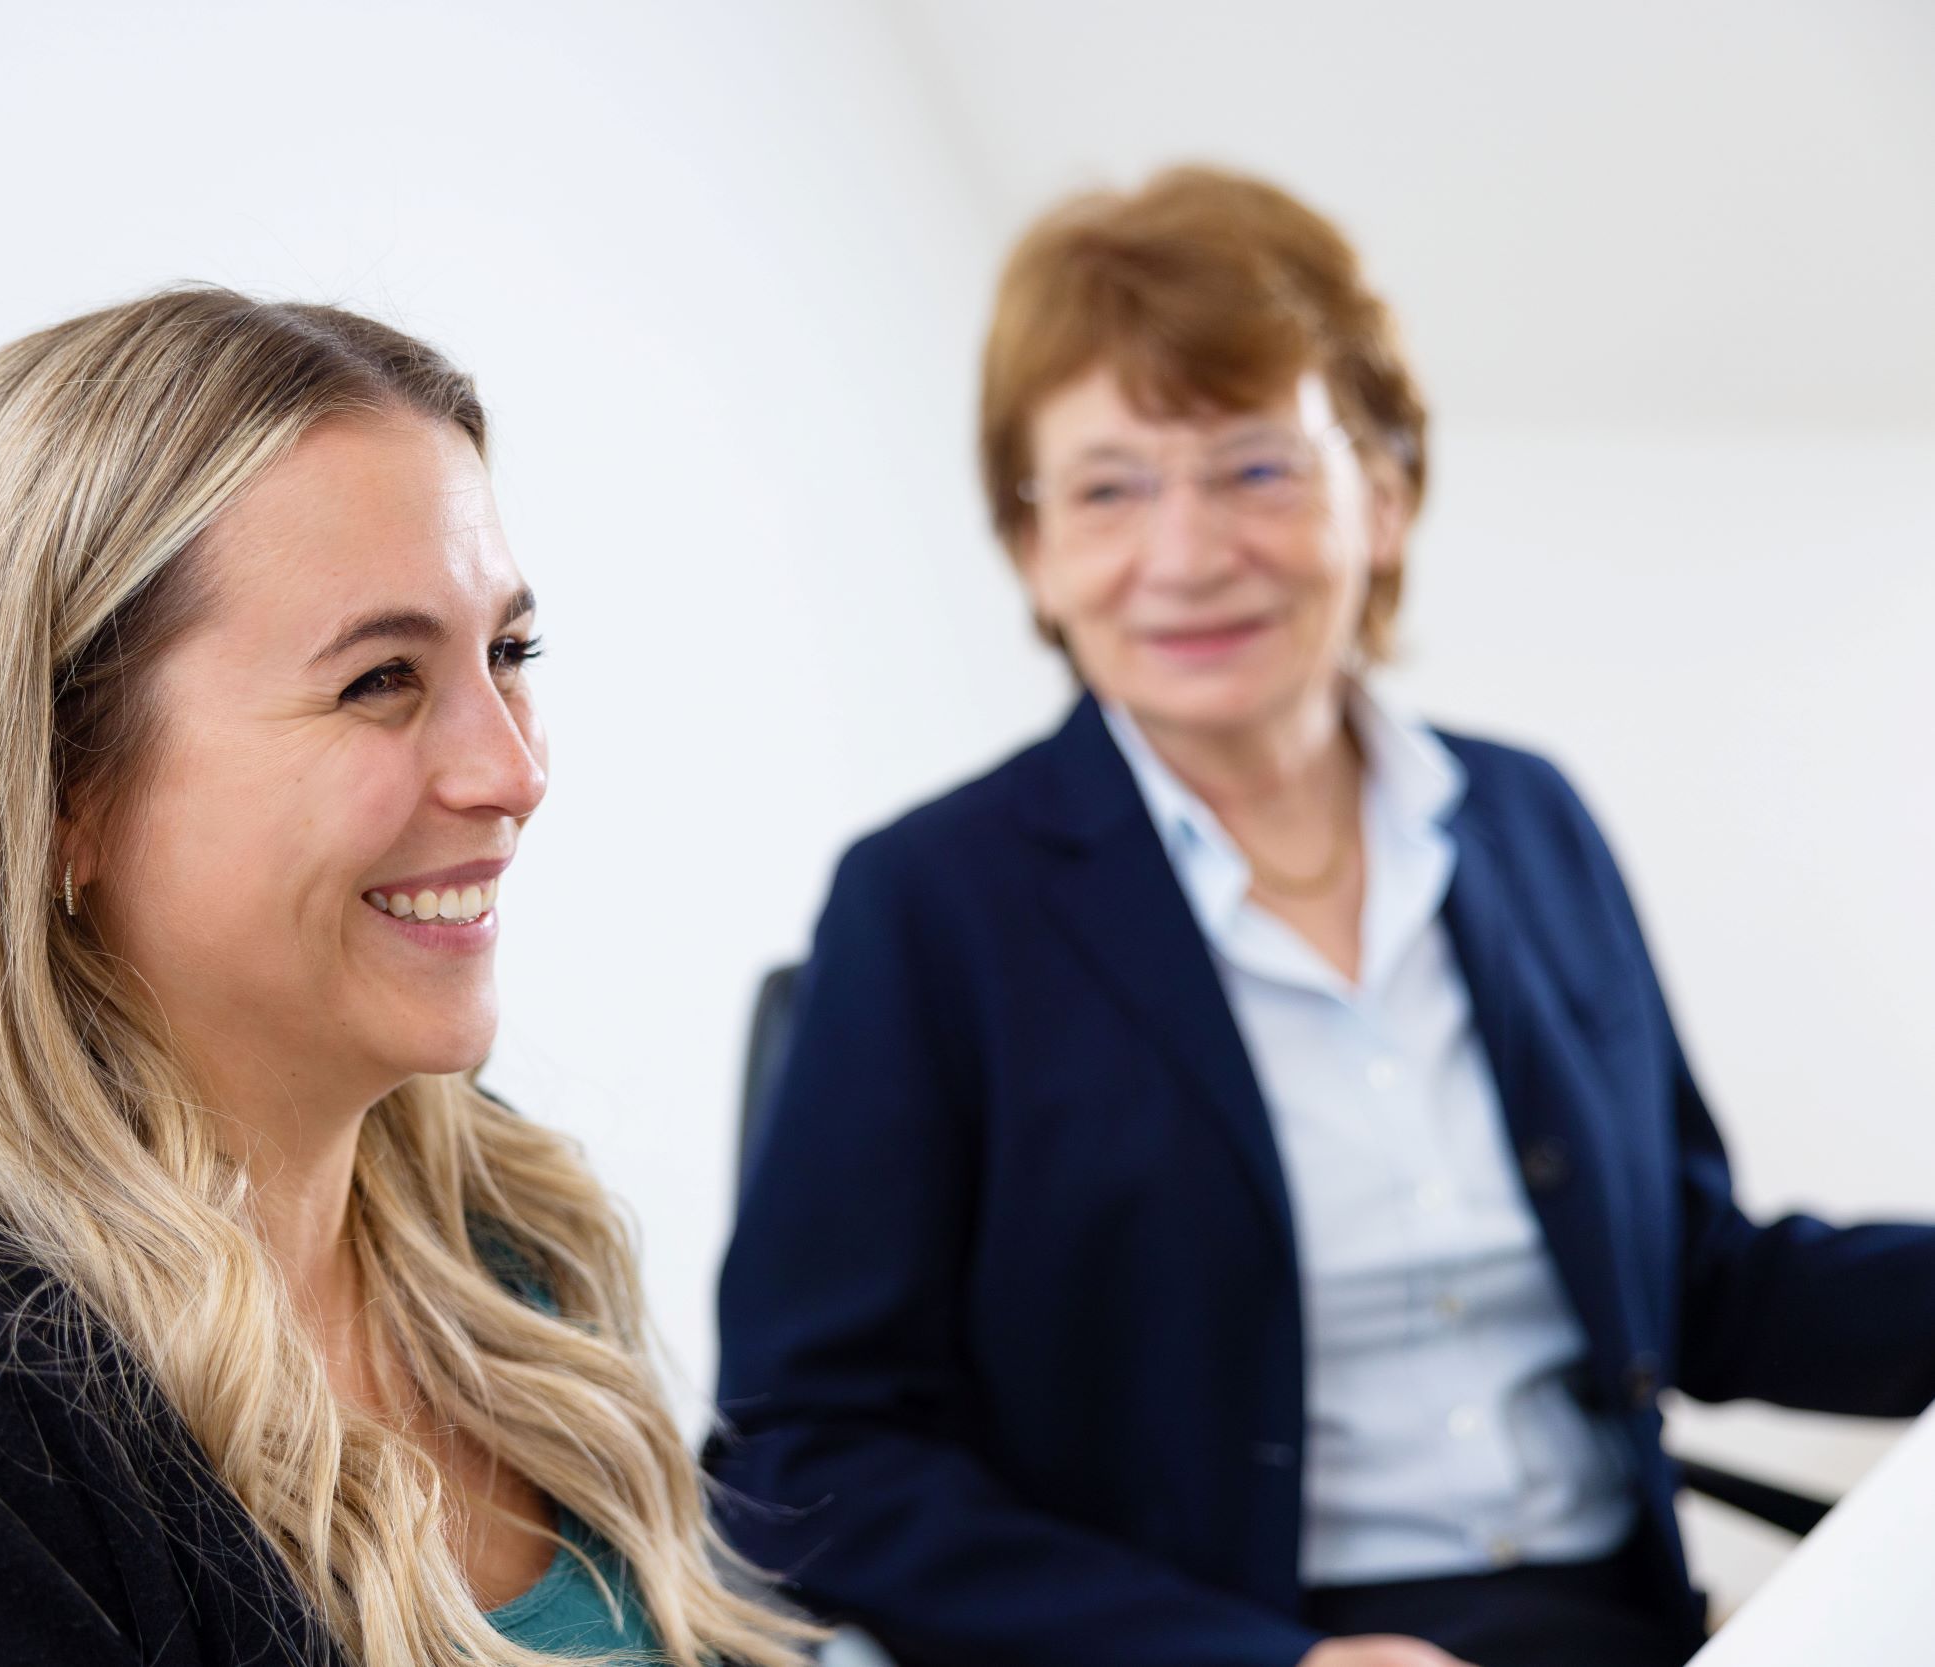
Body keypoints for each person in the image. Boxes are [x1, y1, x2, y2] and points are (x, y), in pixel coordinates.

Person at [706, 167, 1935, 1667]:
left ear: (1388, 489)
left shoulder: (1522, 820)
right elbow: (806, 1462)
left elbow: (1699, 1282)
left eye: (1256, 468)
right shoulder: (930, 904)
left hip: (1617, 1628)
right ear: (1032, 548)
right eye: (1107, 488)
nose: (1187, 552)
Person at [0, 288, 817, 1667]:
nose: (514, 771)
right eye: (381, 680)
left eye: (510, 655)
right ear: (58, 790)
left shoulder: (478, 1208)